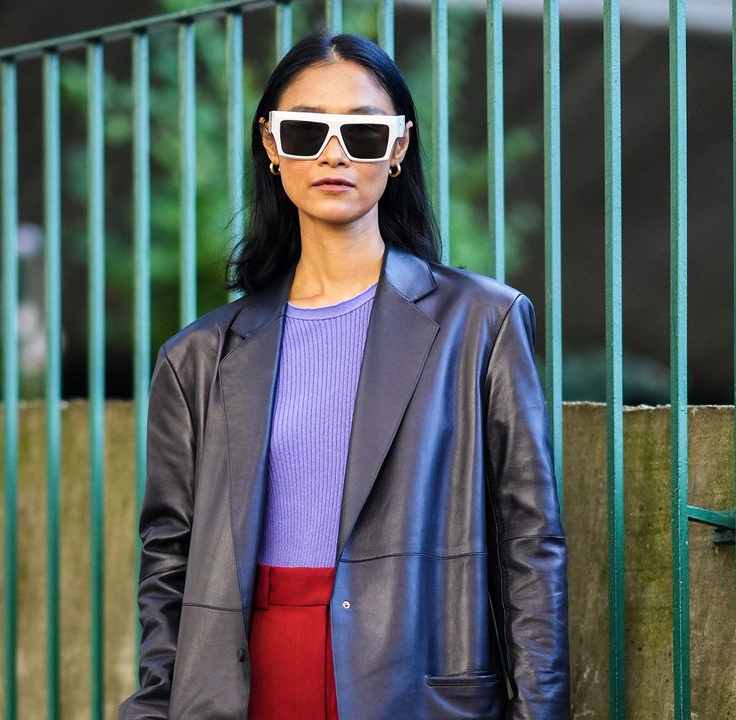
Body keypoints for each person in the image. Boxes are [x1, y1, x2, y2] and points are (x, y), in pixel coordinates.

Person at [118, 30, 569, 720]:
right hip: (241, 676)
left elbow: (529, 541)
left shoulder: (483, 323)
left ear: (398, 148)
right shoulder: (198, 356)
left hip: (411, 674)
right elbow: (167, 566)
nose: (333, 153)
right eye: (305, 131)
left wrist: (540, 710)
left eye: (362, 133)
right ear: (270, 145)